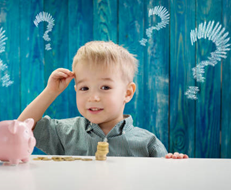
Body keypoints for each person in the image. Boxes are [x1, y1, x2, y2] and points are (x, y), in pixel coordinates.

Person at [18, 41, 188, 159]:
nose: (93, 97)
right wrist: (51, 92)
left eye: (105, 87)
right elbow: (22, 128)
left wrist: (173, 163)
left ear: (127, 93)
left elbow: (165, 178)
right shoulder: (65, 132)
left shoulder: (147, 143)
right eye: (84, 88)